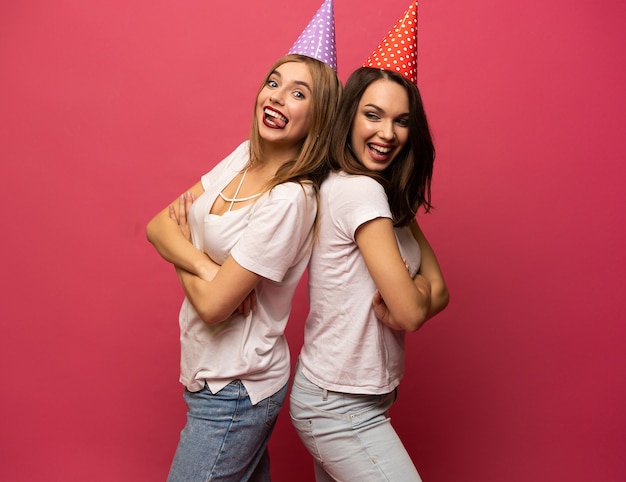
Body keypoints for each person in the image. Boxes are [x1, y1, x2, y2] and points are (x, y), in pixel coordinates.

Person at [146, 7, 341, 477]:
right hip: (207, 373)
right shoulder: (243, 157)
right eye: (273, 83)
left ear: (319, 116)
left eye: (299, 93)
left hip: (235, 387)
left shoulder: (290, 200)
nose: (277, 98)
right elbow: (156, 224)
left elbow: (214, 308)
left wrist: (182, 243)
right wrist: (206, 266)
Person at [289, 4, 449, 479]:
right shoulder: (360, 192)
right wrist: (416, 296)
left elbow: (439, 290)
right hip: (339, 406)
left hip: (354, 397)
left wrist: (416, 295)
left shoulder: (382, 196)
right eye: (373, 115)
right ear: (349, 117)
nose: (387, 133)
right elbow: (415, 311)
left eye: (401, 121)